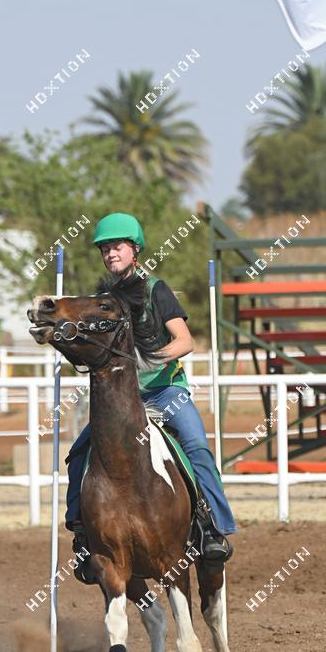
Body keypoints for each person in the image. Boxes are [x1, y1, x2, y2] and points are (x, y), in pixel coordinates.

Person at [65, 212, 236, 580]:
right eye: (105, 249)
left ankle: (214, 528)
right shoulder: (104, 301)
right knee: (79, 453)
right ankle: (82, 533)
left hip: (166, 391)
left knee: (197, 446)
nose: (111, 253)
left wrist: (147, 361)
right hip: (122, 403)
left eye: (117, 246)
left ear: (135, 250)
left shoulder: (156, 289)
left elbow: (185, 341)